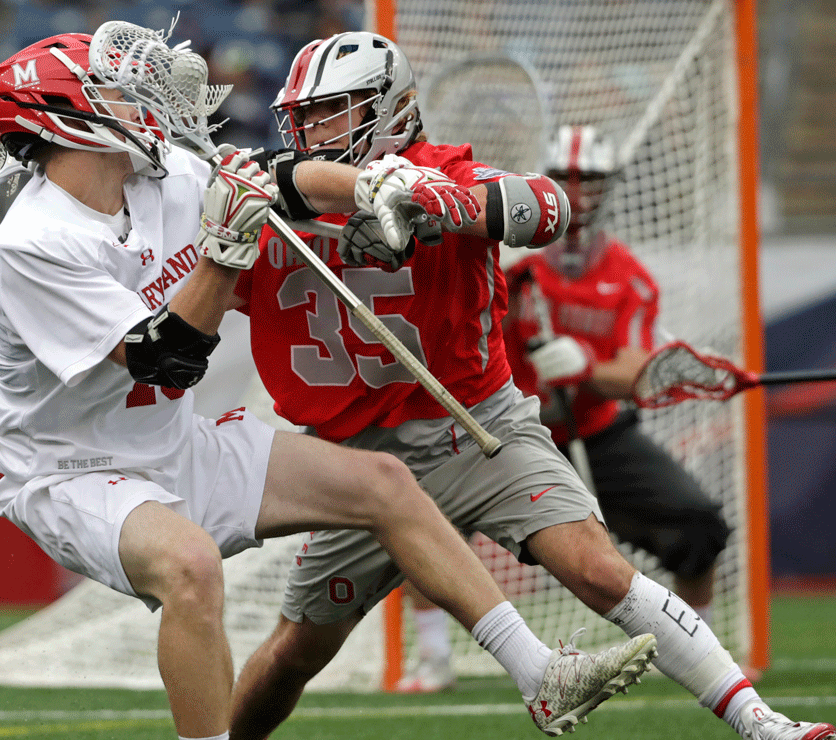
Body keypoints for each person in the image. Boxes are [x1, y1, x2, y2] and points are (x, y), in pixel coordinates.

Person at [0, 29, 654, 740]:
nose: (140, 96)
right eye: (112, 88)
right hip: (72, 473)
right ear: (66, 118)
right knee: (190, 567)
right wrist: (224, 252)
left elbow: (284, 177)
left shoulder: (162, 173)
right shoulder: (36, 242)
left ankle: (539, 673)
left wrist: (373, 185)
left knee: (387, 485)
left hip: (170, 443)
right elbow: (166, 359)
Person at [227, 31, 836, 740]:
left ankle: (763, 723)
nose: (310, 131)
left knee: (601, 573)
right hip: (354, 459)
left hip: (478, 431)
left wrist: (436, 204)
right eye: (303, 115)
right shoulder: (264, 201)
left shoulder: (438, 170)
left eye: (332, 110)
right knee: (295, 652)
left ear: (388, 108)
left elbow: (547, 207)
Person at [392, 123, 733, 694]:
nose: (579, 192)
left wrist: (584, 370)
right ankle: (433, 658)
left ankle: (705, 648)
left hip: (597, 431)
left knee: (699, 522)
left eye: (591, 179)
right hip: (506, 431)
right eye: (569, 179)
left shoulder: (629, 277)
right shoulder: (511, 263)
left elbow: (635, 374)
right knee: (417, 520)